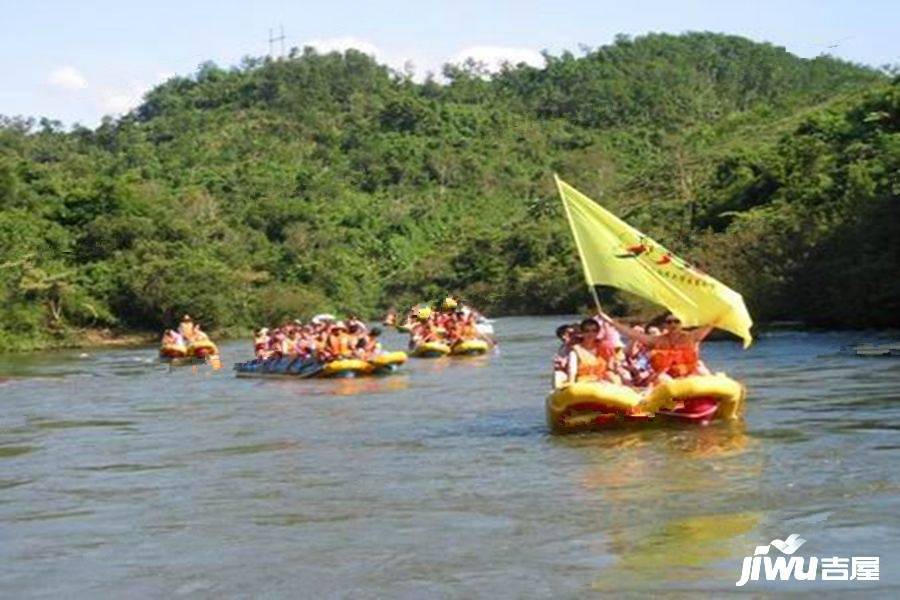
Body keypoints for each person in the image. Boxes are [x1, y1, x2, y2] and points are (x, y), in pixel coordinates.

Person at [600, 311, 713, 381]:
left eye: (676, 321)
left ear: (681, 323)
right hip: (666, 376)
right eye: (669, 322)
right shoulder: (656, 341)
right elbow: (632, 333)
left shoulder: (691, 337)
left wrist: (723, 312)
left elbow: (711, 324)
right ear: (665, 325)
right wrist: (610, 321)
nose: (673, 324)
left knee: (701, 371)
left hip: (688, 374)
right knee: (662, 379)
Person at [566, 319, 618, 385]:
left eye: (594, 331)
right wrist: (571, 382)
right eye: (587, 331)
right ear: (582, 333)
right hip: (583, 382)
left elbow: (610, 368)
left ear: (598, 332)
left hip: (603, 381)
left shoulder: (604, 347)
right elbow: (572, 370)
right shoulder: (575, 351)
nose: (591, 334)